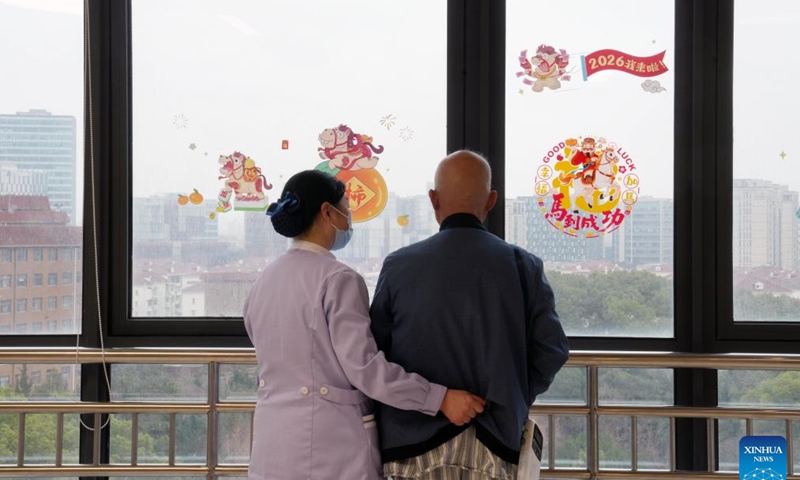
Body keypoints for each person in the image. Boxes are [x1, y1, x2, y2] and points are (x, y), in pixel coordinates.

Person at [243, 170, 486, 480]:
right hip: (330, 446)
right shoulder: (338, 279)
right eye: (346, 208)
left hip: (272, 442)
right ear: (327, 212)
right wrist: (439, 398)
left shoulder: (264, 280)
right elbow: (366, 370)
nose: (349, 217)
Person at [370, 150, 570, 480]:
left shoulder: (399, 266)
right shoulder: (523, 266)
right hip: (495, 446)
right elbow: (552, 351)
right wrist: (510, 392)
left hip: (411, 447)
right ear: (491, 201)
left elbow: (375, 357)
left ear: (434, 200)